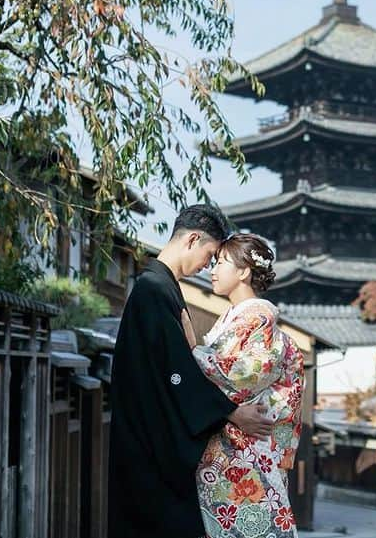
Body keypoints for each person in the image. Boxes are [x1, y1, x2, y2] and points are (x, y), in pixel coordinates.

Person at [108, 205, 274, 538]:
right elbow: (176, 371)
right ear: (193, 239)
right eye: (210, 255)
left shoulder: (161, 286)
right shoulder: (153, 290)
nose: (207, 266)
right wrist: (232, 412)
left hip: (149, 442)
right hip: (148, 449)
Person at [190, 233, 304, 538]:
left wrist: (188, 352)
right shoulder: (235, 318)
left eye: (221, 263)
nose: (212, 270)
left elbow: (240, 379)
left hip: (246, 450)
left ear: (243, 272)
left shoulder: (258, 319)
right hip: (233, 446)